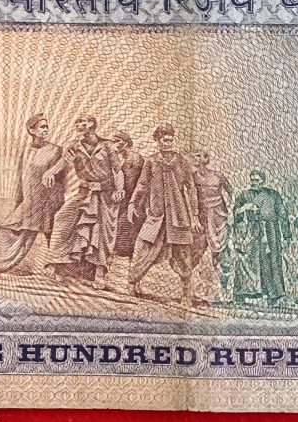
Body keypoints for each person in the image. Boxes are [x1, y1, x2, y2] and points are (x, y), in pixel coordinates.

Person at [44, 115, 125, 289]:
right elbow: (63, 163)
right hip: (84, 192)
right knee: (62, 219)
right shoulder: (74, 146)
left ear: (93, 125)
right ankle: (55, 263)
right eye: (77, 122)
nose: (79, 125)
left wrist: (119, 190)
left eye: (84, 122)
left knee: (101, 233)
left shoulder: (107, 146)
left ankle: (99, 275)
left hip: (105, 195)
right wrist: (50, 172)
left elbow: (118, 171)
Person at [126, 123, 201, 305]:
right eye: (164, 140)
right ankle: (132, 283)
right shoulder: (151, 162)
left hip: (178, 217)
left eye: (170, 140)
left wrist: (194, 216)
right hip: (156, 216)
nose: (167, 143)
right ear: (158, 141)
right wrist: (132, 203)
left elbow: (191, 188)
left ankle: (186, 294)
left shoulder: (182, 161)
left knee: (183, 256)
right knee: (143, 249)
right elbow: (142, 184)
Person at [0, 112, 66, 274]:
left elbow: (60, 178)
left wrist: (55, 201)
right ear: (31, 130)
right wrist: (18, 201)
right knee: (6, 228)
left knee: (52, 233)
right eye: (42, 127)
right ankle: (0, 266)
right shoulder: (25, 151)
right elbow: (21, 178)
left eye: (46, 127)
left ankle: (58, 270)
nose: (46, 130)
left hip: (48, 201)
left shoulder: (55, 150)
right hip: (29, 202)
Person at [231, 170, 289, 306]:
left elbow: (282, 213)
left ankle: (274, 296)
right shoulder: (244, 195)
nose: (253, 183)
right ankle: (244, 294)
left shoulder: (273, 194)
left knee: (272, 261)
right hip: (251, 232)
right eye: (252, 180)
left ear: (263, 181)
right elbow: (235, 213)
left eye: (256, 180)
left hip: (271, 231)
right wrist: (244, 208)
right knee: (249, 261)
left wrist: (286, 234)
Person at [190, 151, 233, 282]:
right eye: (195, 155)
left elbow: (231, 192)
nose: (197, 158)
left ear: (206, 159)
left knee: (221, 246)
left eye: (200, 156)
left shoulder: (217, 175)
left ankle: (225, 279)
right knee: (198, 246)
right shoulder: (192, 177)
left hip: (219, 214)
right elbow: (190, 197)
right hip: (202, 215)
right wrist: (194, 218)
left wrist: (231, 211)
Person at [111, 131, 144, 260]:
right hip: (122, 199)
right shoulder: (120, 159)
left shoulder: (135, 158)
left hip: (133, 199)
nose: (114, 144)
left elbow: (133, 182)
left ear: (125, 142)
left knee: (126, 226)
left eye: (117, 141)